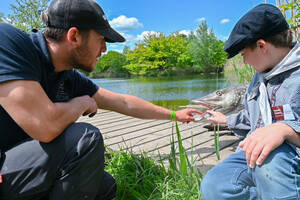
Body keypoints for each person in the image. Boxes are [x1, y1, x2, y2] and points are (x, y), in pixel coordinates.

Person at [0, 0, 201, 199]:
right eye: (101, 39)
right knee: (85, 138)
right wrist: (81, 103)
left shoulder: (66, 75)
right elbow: (44, 126)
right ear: (74, 36)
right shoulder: (8, 41)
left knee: (104, 186)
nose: (104, 49)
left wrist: (175, 114)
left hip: (16, 164)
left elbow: (123, 102)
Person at [200, 4, 300, 200]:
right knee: (215, 185)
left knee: (269, 161)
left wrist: (285, 130)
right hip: (258, 153)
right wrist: (225, 121)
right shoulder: (260, 76)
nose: (244, 62)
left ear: (262, 46)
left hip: (290, 156)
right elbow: (256, 117)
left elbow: (279, 129)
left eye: (244, 54)